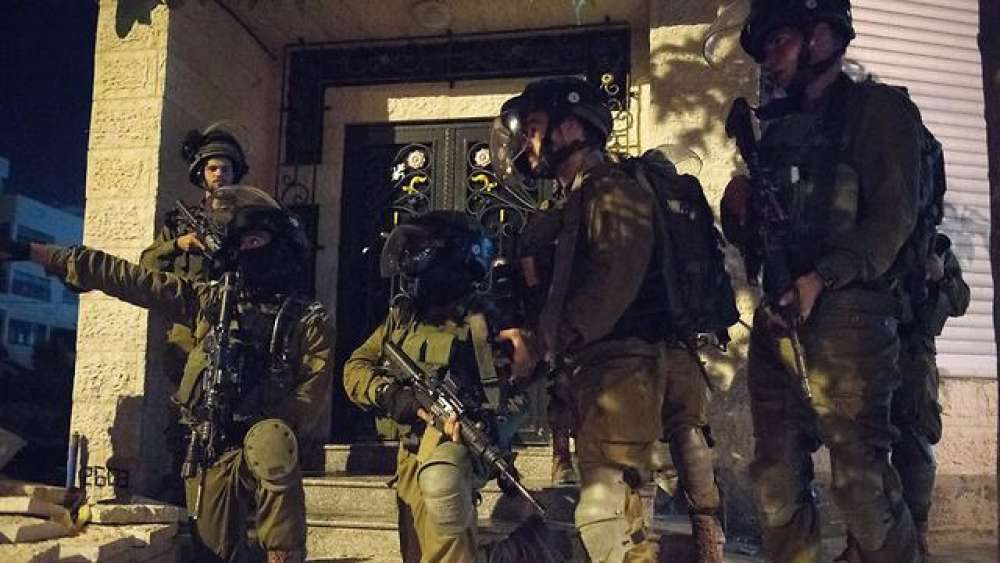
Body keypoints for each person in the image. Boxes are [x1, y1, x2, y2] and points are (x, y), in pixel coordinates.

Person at [3, 186, 330, 563]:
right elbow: (131, 279)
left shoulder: (308, 319)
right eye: (242, 243)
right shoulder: (213, 301)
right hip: (213, 447)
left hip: (261, 439)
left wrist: (258, 419)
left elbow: (307, 400)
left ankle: (284, 555)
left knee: (273, 440)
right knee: (214, 552)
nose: (248, 250)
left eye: (256, 240)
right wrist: (34, 252)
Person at [721, 0, 926, 561]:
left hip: (848, 317)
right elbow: (763, 238)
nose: (769, 58)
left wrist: (823, 277)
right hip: (779, 314)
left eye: (780, 41)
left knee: (861, 487)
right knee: (774, 481)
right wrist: (737, 213)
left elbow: (893, 219)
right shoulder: (778, 130)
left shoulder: (877, 112)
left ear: (822, 37)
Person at [491, 76, 672, 562]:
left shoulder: (612, 192)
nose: (526, 142)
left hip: (623, 372)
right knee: (607, 523)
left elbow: (611, 286)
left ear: (571, 128)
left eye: (534, 127)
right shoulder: (574, 199)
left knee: (607, 517)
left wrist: (542, 343)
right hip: (594, 373)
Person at [343, 211, 559, 563]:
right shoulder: (404, 318)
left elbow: (522, 390)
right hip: (411, 448)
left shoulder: (486, 318)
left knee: (442, 487)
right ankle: (517, 551)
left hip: (459, 445)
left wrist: (521, 364)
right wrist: (388, 393)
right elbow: (355, 368)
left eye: (424, 254)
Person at [888, 233, 969, 557]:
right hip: (871, 352)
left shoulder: (936, 247)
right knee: (863, 447)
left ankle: (917, 534)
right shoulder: (875, 235)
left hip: (915, 359)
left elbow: (960, 302)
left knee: (917, 446)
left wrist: (940, 276)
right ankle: (864, 540)